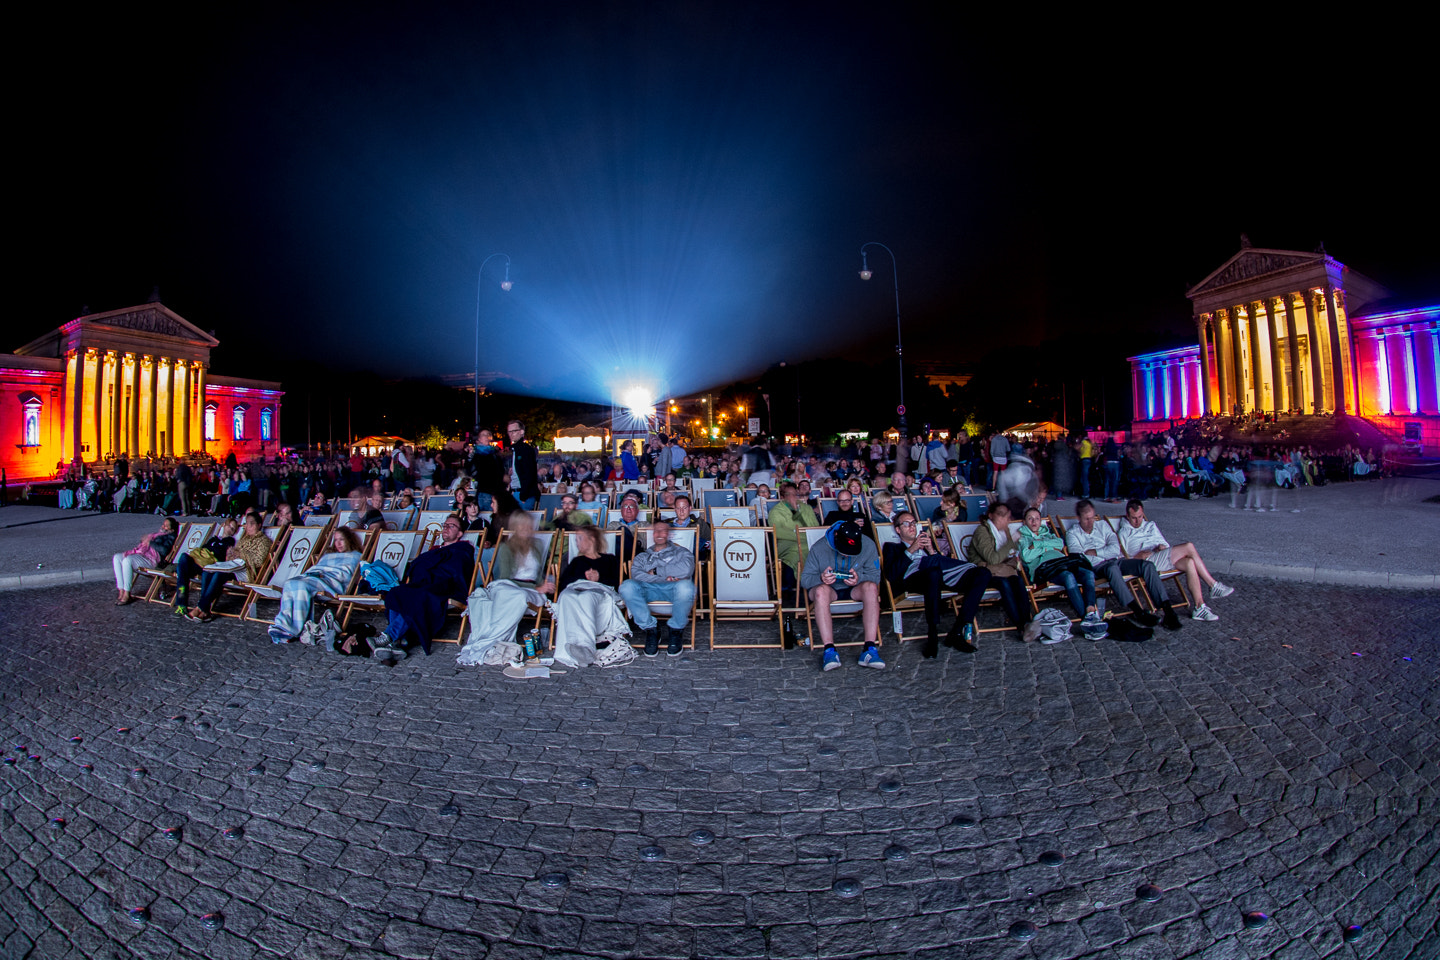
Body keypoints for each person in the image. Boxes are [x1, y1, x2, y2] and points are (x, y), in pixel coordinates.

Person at [882, 511, 991, 657]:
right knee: (933, 570)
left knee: (983, 573)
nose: (912, 527)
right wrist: (911, 549)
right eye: (906, 524)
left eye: (914, 523)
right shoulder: (891, 547)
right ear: (898, 530)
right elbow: (891, 574)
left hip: (941, 577)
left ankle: (957, 631)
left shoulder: (928, 544)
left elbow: (942, 564)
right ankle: (932, 634)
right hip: (914, 579)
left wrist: (931, 551)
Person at [373, 515, 476, 658]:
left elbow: (457, 570)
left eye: (451, 526)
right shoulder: (434, 549)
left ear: (459, 533)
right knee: (396, 592)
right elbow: (419, 566)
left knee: (417, 597)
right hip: (424, 583)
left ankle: (390, 636)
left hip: (445, 586)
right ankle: (398, 639)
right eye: (444, 525)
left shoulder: (462, 549)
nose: (445, 528)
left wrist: (435, 570)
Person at [1117, 500, 1233, 621]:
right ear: (1127, 516)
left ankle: (1199, 607)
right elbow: (1120, 560)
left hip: (1160, 555)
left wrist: (1160, 547)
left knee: (1190, 562)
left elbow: (1166, 545)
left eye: (1140, 517)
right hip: (1146, 563)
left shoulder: (1150, 525)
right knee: (1189, 546)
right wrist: (1136, 557)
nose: (1137, 521)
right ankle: (1213, 585)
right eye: (1134, 518)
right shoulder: (1123, 532)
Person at [1064, 499, 1171, 629]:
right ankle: (1137, 611)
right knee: (1112, 568)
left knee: (1146, 565)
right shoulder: (1072, 534)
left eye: (1092, 518)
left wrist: (1095, 551)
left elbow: (1116, 549)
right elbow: (1080, 559)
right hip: (1097, 567)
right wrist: (1104, 552)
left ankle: (1167, 609)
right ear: (1078, 518)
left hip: (1116, 560)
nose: (1091, 522)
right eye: (1086, 519)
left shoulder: (1102, 525)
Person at [801, 519, 885, 671]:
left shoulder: (868, 544)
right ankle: (829, 650)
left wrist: (859, 577)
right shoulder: (819, 548)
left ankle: (869, 648)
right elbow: (805, 580)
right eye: (843, 549)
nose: (846, 554)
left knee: (872, 588)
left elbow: (875, 576)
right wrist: (821, 578)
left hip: (855, 588)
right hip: (829, 589)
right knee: (820, 592)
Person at [550, 526, 633, 668]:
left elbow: (619, 583)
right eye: (576, 540)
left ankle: (586, 648)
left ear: (592, 540)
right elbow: (563, 584)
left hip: (598, 597)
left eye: (580, 539)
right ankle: (575, 647)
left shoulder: (610, 560)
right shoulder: (577, 561)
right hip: (575, 594)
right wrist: (583, 578)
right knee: (566, 597)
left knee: (586, 597)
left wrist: (599, 578)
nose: (577, 543)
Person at [1017, 507, 1105, 638]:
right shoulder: (1023, 538)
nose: (1034, 521)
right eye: (1030, 518)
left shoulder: (1047, 533)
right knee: (1068, 577)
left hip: (1063, 564)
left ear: (1041, 521)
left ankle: (1090, 612)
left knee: (1089, 574)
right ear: (1025, 522)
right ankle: (1086, 619)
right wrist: (1048, 547)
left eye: (1037, 518)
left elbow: (1059, 543)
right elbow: (1026, 556)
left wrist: (1038, 545)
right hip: (1044, 569)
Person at [268, 527, 365, 643]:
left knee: (301, 586)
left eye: (341, 540)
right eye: (335, 540)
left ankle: (294, 628)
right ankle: (283, 623)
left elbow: (347, 575)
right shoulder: (328, 555)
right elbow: (318, 567)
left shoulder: (356, 556)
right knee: (290, 583)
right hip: (316, 576)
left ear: (349, 540)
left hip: (331, 582)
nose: (338, 543)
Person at [618, 519, 696, 657]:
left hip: (673, 590)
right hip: (648, 590)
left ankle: (675, 630)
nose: (659, 534)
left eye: (663, 530)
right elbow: (636, 575)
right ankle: (651, 629)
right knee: (627, 586)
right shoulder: (642, 556)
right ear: (652, 534)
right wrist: (666, 576)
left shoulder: (682, 552)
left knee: (686, 587)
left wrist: (655, 572)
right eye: (656, 531)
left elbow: (686, 570)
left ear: (669, 534)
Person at [965, 502, 1039, 640]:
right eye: (1001, 516)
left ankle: (1027, 622)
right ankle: (1022, 626)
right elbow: (993, 558)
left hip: (1001, 570)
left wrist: (1009, 543)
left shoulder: (1004, 531)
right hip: (982, 573)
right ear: (991, 516)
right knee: (1004, 584)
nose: (1005, 520)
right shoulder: (982, 531)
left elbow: (1011, 555)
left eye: (1006, 517)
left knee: (1017, 580)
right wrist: (1010, 543)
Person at [190, 512, 272, 622]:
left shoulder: (264, 541)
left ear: (259, 525)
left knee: (219, 574)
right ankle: (205, 611)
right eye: (247, 524)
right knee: (208, 572)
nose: (248, 527)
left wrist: (241, 555)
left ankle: (201, 607)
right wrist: (231, 554)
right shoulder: (244, 539)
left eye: (252, 524)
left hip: (246, 571)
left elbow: (259, 561)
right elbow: (232, 554)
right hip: (234, 567)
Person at [172, 518, 238, 615]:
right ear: (224, 525)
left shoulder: (230, 542)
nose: (230, 530)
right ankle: (181, 604)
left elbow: (222, 557)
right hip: (198, 562)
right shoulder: (213, 539)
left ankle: (183, 604)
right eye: (230, 526)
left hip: (208, 566)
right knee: (183, 558)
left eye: (233, 529)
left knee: (182, 572)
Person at [112, 517, 178, 604]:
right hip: (143, 555)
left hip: (153, 560)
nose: (163, 526)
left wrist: (150, 542)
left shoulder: (170, 537)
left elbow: (164, 550)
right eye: (163, 524)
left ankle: (127, 594)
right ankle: (121, 591)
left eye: (166, 526)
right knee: (117, 557)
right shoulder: (157, 534)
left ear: (171, 529)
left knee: (127, 561)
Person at [506, 420, 541, 510]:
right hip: (516, 492)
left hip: (523, 494)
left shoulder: (526, 450)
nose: (511, 434)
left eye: (513, 431)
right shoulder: (513, 450)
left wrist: (524, 495)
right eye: (509, 431)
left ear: (521, 432)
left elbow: (529, 473)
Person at [668, 493, 711, 561]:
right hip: (669, 559)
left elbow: (709, 544)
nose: (681, 511)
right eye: (678, 508)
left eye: (684, 508)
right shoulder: (667, 524)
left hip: (692, 560)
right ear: (675, 509)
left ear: (690, 508)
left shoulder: (700, 523)